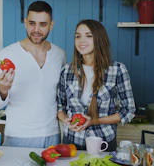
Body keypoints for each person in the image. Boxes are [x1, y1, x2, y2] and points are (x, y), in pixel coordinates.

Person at [0, 1, 66, 148]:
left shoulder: (59, 54)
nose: (36, 29)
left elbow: (61, 96)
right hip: (19, 135)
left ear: (51, 25)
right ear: (25, 23)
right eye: (32, 23)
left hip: (52, 135)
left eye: (43, 24)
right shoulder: (7, 54)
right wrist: (3, 90)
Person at [57, 19, 136, 152]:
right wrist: (67, 121)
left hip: (103, 141)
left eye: (88, 36)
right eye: (78, 36)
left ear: (99, 39)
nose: (81, 41)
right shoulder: (66, 71)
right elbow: (60, 107)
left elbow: (128, 111)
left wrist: (95, 121)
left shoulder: (117, 70)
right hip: (71, 141)